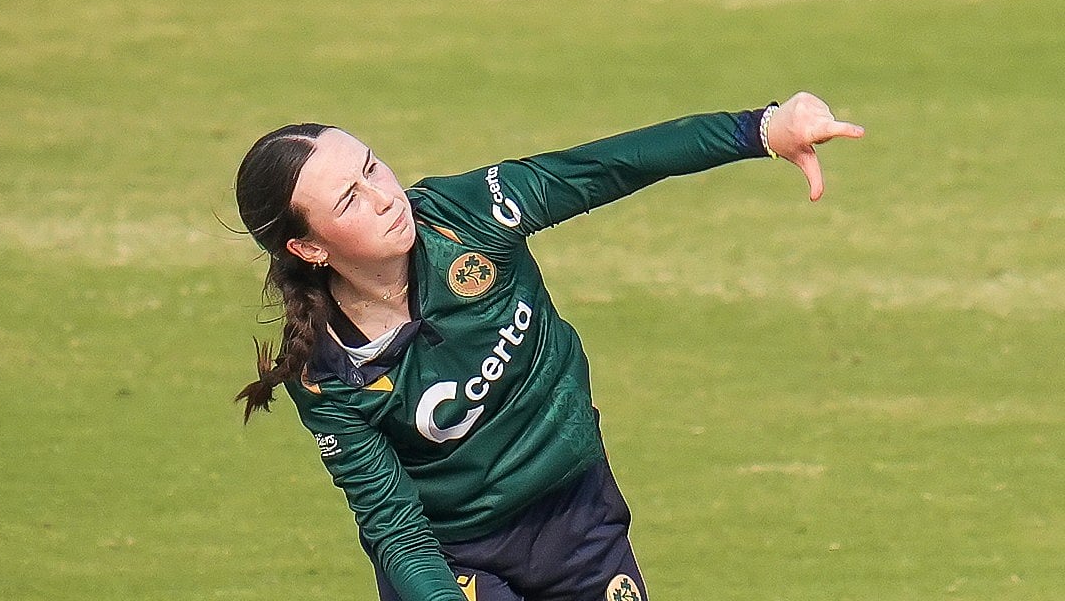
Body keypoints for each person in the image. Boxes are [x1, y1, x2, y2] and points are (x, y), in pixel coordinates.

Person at [233, 92, 864, 601]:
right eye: (349, 199)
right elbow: (396, 530)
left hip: (580, 517)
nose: (382, 197)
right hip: (456, 562)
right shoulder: (326, 372)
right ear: (309, 248)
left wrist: (759, 129)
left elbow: (606, 167)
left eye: (371, 167)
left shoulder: (469, 214)